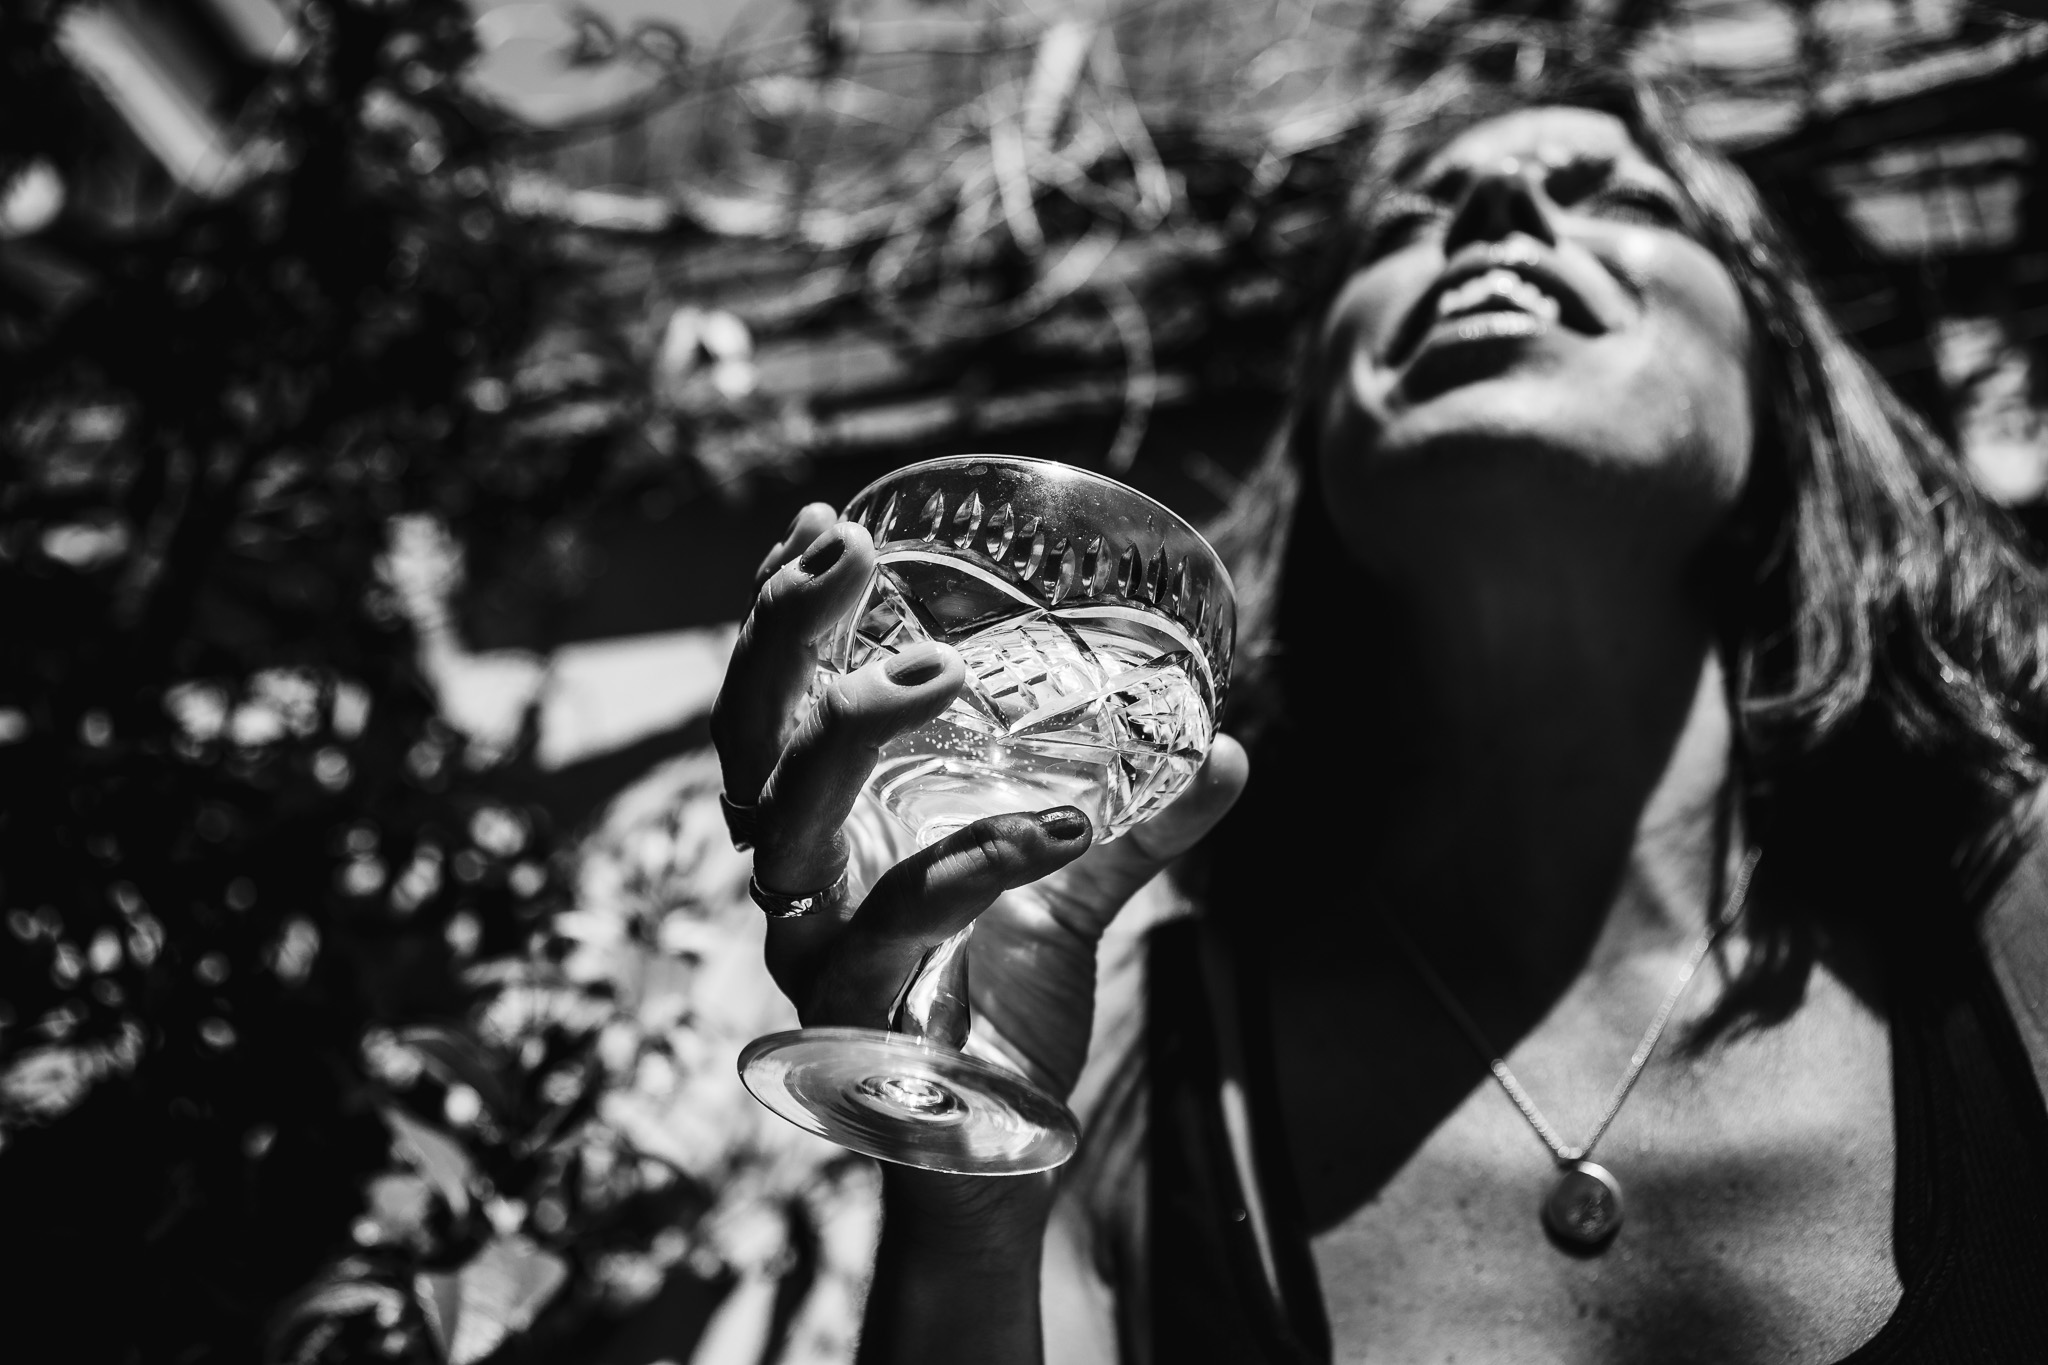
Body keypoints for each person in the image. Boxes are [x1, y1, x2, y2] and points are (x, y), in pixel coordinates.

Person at [708, 66, 2048, 1364]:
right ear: (1321, 436)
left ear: (1784, 387)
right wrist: (967, 1191)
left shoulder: (2014, 910)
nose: (1494, 218)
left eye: (1620, 201)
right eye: (1411, 224)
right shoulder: (1121, 1067)